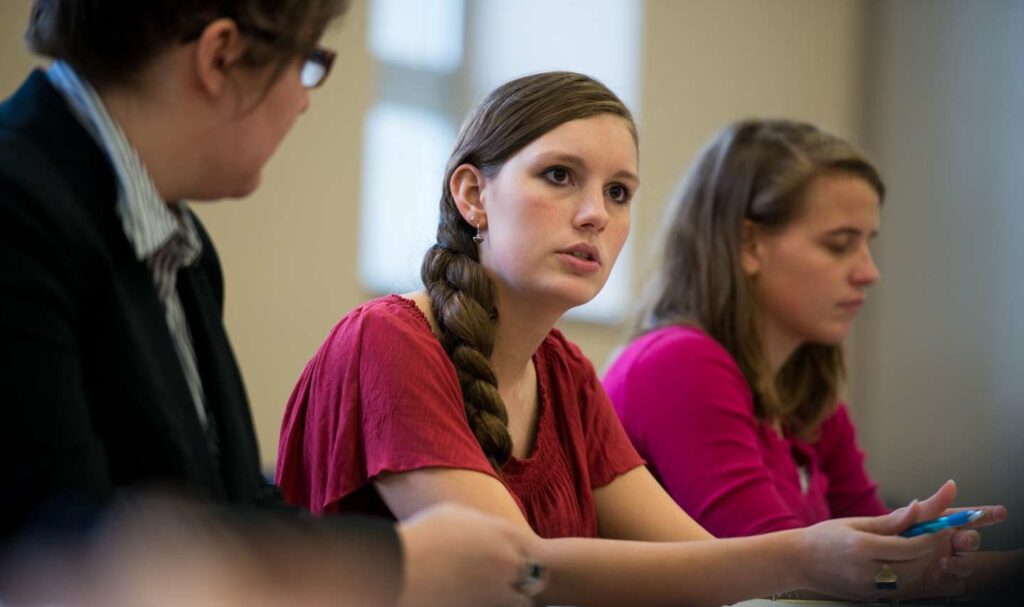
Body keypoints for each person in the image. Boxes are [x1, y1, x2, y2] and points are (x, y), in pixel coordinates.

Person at [277, 73, 998, 605]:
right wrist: (811, 556)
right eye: (560, 176)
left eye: (619, 193)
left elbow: (701, 558)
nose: (595, 214)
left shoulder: (566, 373)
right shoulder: (389, 340)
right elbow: (517, 566)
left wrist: (875, 559)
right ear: (472, 196)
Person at [0, 2, 540, 606]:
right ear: (221, 55)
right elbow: (53, 538)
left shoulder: (183, 245)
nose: (305, 100)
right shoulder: (17, 203)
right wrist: (397, 562)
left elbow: (230, 499)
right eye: (307, 64)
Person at [603, 118, 1015, 593]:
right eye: (840, 245)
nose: (869, 272)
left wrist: (926, 551)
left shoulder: (803, 389)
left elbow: (874, 547)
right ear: (749, 245)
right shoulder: (676, 365)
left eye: (867, 244)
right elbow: (788, 571)